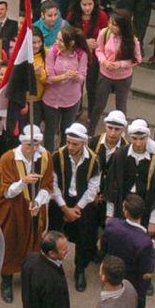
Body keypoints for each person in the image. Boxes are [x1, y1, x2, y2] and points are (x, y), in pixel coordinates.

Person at [0, 125, 52, 303]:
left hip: (34, 209)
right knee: (11, 242)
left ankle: (28, 274)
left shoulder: (45, 157)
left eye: (37, 144)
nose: (33, 149)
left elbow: (47, 185)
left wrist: (38, 202)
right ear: (22, 143)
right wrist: (23, 182)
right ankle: (6, 279)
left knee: (33, 242)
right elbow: (6, 192)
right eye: (29, 145)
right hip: (13, 209)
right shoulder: (8, 159)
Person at [100, 194, 155, 308]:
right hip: (133, 287)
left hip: (112, 279)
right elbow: (146, 272)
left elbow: (104, 248)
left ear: (125, 210)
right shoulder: (144, 241)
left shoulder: (112, 226)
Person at [50, 123, 102, 291]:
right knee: (55, 238)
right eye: (69, 142)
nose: (71, 147)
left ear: (84, 143)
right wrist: (65, 209)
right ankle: (54, 268)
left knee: (83, 238)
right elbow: (53, 185)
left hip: (82, 205)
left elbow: (93, 188)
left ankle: (79, 270)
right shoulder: (57, 156)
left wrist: (77, 208)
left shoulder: (94, 160)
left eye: (75, 144)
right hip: (60, 204)